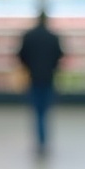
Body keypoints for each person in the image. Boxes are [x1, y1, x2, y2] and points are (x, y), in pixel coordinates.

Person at [17, 10, 64, 155]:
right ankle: (44, 141)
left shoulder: (29, 36)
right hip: (49, 78)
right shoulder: (53, 37)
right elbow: (60, 56)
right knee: (45, 111)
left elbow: (20, 56)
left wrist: (29, 67)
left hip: (33, 78)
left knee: (36, 112)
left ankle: (39, 142)